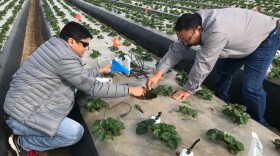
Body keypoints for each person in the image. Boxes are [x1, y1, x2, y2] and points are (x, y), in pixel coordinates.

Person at [4, 21, 145, 155]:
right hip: (21, 117)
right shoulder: (65, 57)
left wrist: (99, 70)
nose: (86, 48)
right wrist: (129, 89)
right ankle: (22, 142)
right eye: (84, 44)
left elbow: (78, 76)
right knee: (74, 133)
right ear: (71, 41)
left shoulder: (55, 47)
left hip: (20, 108)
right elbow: (94, 88)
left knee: (72, 95)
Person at [146, 8, 280, 126]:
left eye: (187, 39)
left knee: (251, 86)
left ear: (199, 29)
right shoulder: (192, 26)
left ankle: (259, 123)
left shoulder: (217, 31)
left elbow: (203, 63)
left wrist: (188, 88)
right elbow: (176, 50)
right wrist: (158, 74)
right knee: (223, 74)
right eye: (182, 39)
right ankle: (222, 105)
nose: (185, 43)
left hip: (265, 39)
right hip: (238, 41)